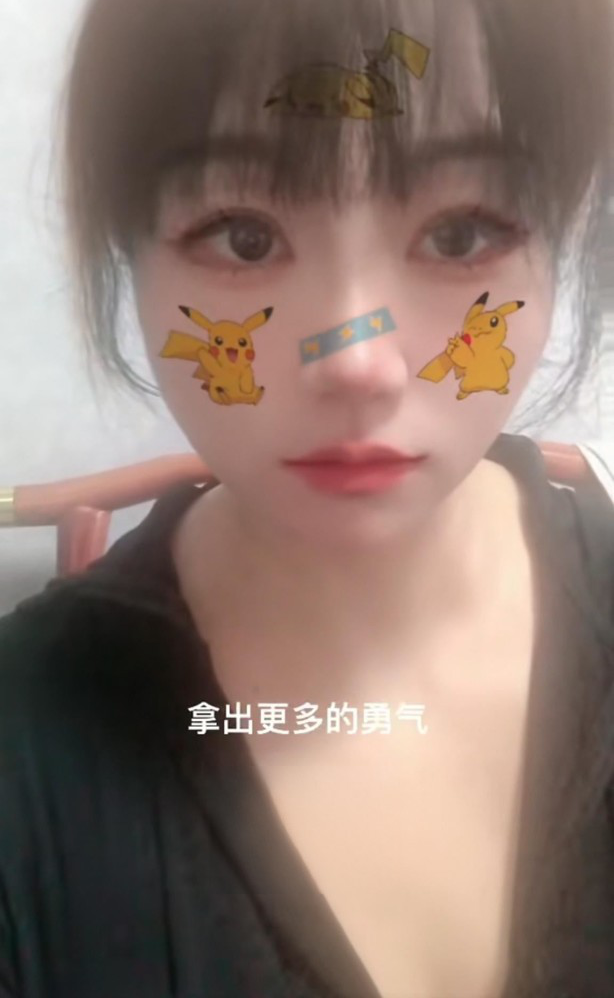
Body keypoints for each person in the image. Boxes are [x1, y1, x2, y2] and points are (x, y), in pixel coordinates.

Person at [1, 0, 614, 995]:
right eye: (243, 236)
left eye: (461, 231)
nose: (357, 360)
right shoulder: (28, 745)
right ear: (132, 255)